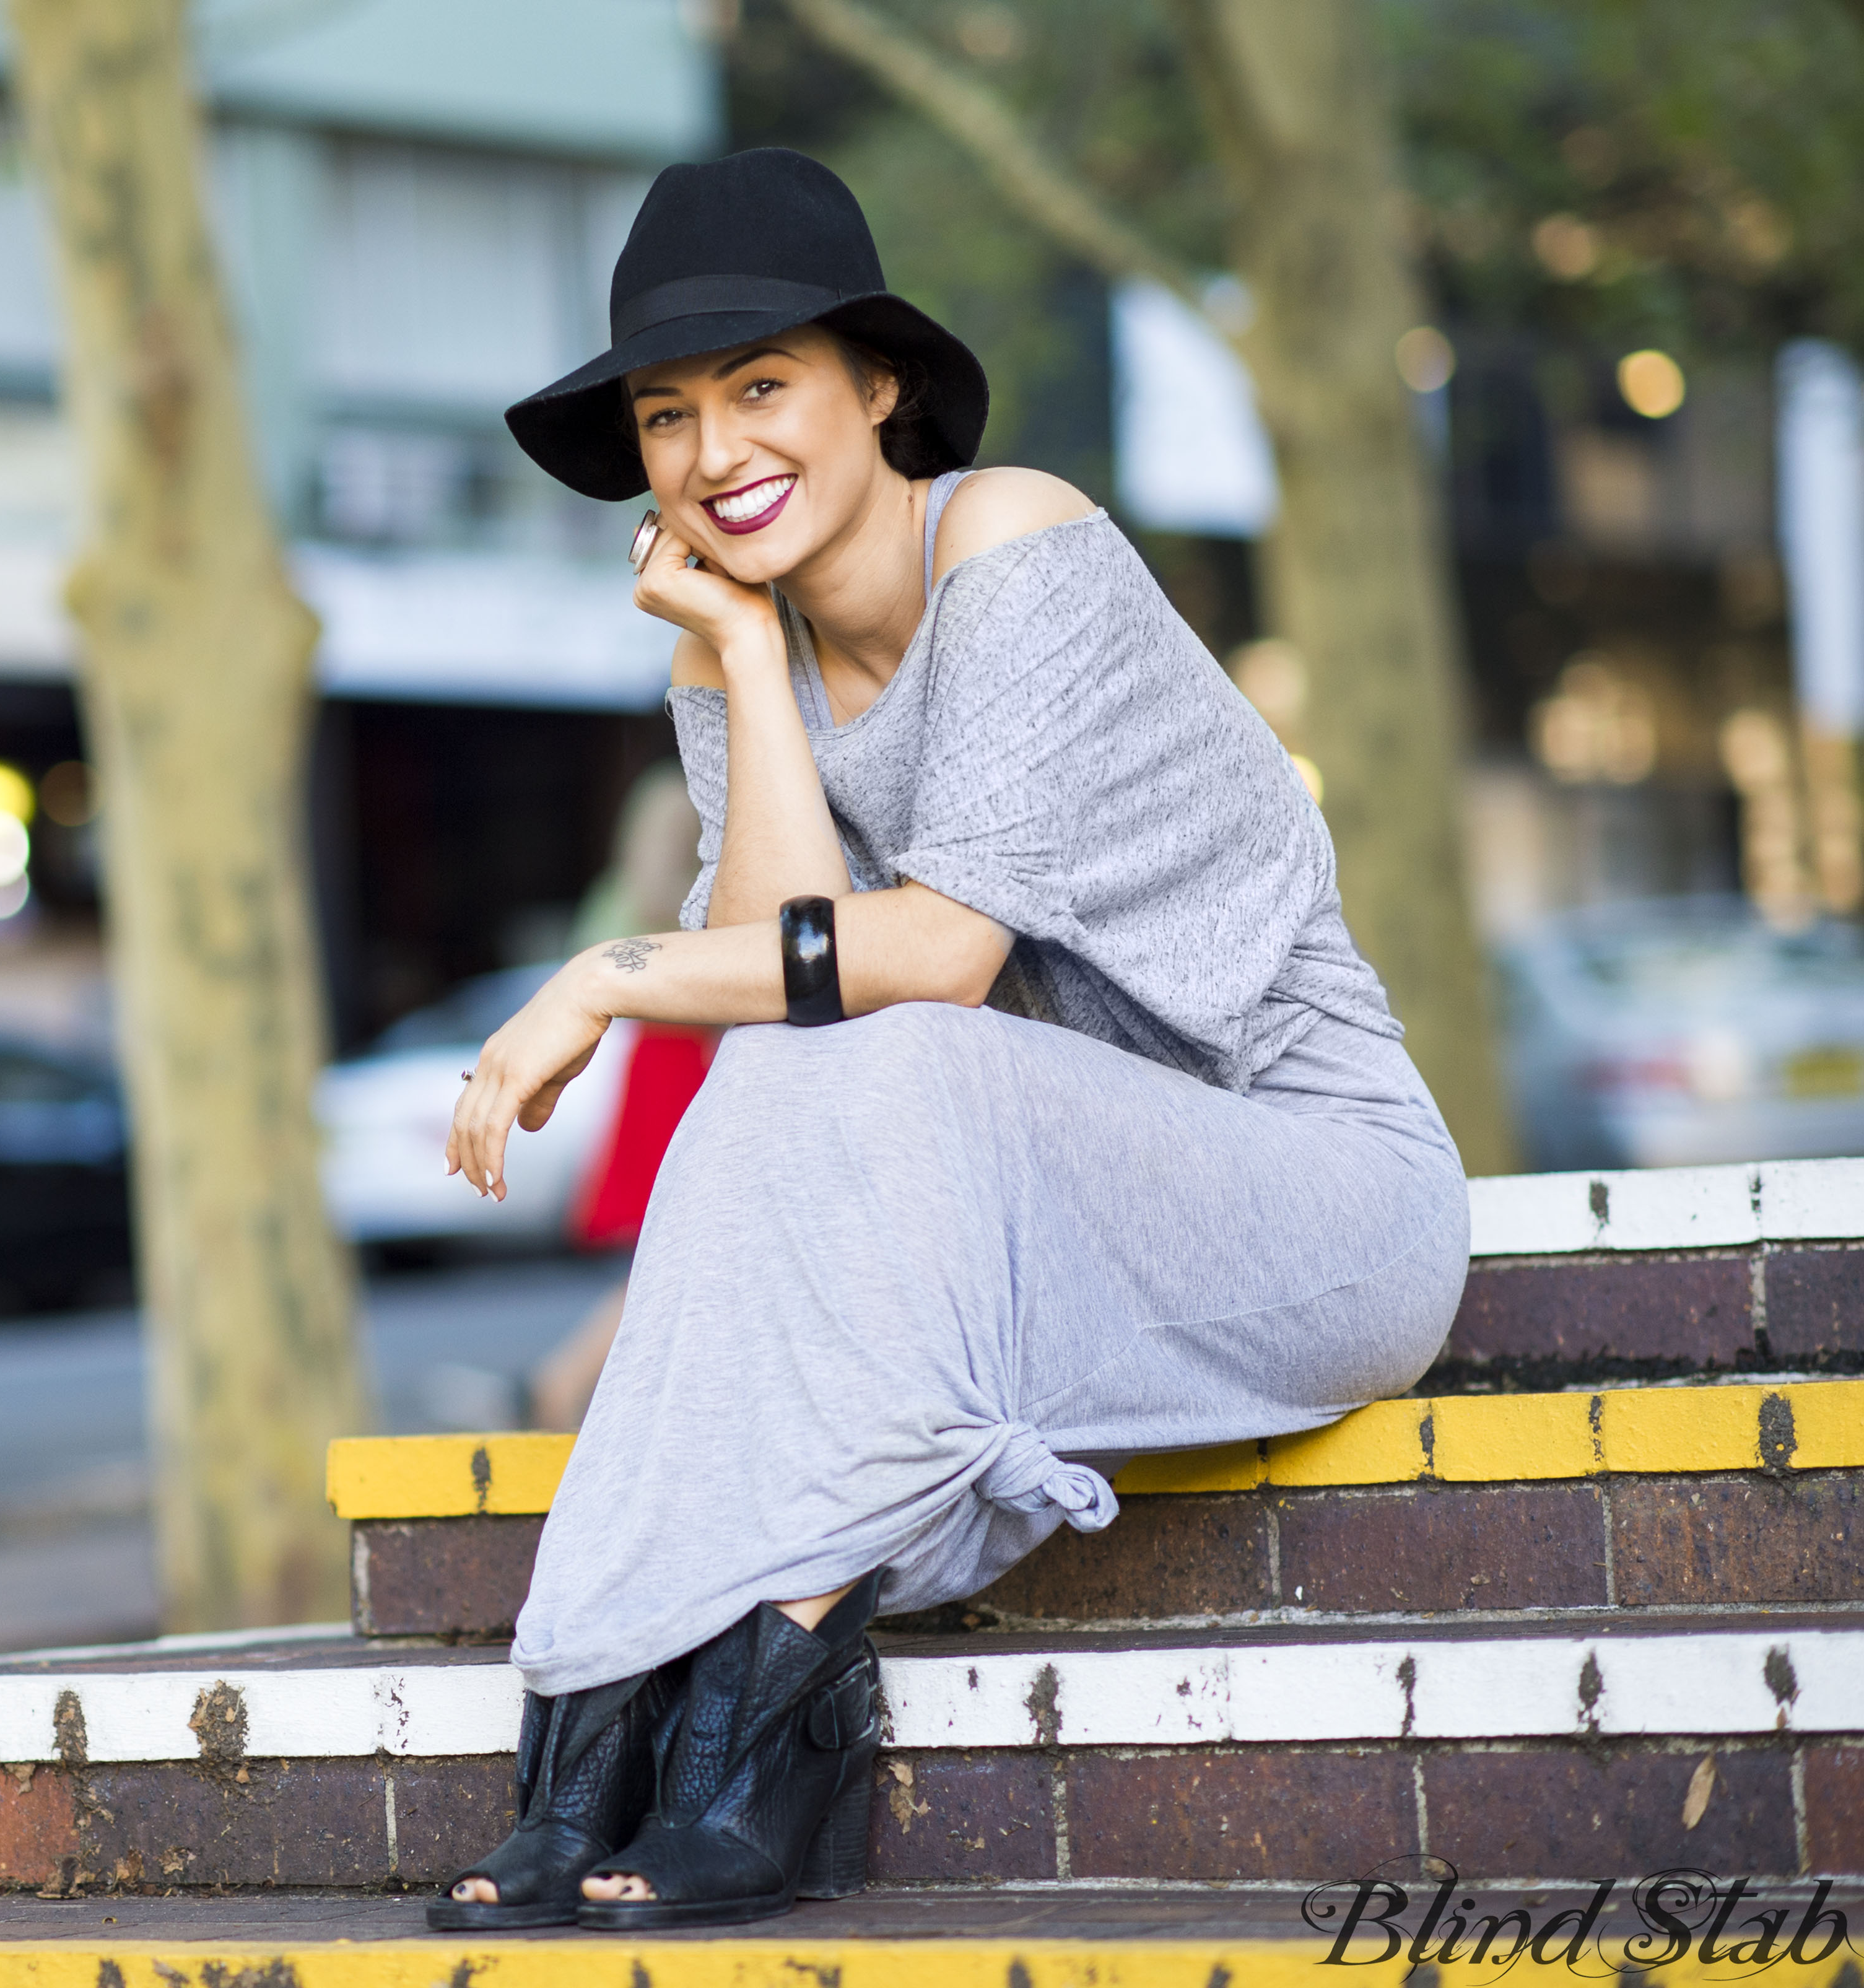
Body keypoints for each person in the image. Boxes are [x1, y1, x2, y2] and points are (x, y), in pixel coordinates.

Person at [427, 149, 1470, 1932]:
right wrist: (750, 664)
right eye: (670, 416)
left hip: (1313, 1195)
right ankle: (593, 1713)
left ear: (881, 386)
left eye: (764, 387)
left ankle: (755, 1691)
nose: (714, 451)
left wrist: (601, 976)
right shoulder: (721, 644)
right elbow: (774, 977)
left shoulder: (1014, 537)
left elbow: (943, 951)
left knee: (890, 1032)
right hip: (1026, 1222)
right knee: (806, 1056)